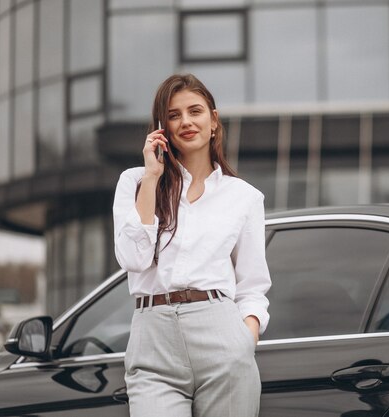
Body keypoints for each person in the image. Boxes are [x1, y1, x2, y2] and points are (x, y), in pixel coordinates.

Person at [113, 73, 271, 417]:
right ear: (161, 127)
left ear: (213, 120)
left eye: (195, 111)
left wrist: (244, 341)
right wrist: (152, 177)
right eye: (173, 115)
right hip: (153, 338)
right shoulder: (135, 181)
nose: (185, 121)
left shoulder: (243, 197)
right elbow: (133, 258)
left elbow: (253, 285)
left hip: (221, 334)